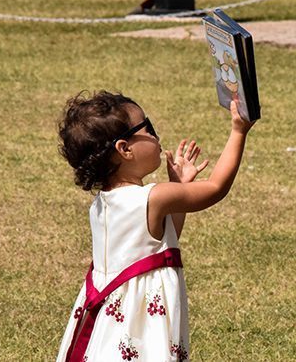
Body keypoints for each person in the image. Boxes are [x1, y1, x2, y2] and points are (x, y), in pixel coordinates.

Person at [55, 90, 253, 361]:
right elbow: (216, 188)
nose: (154, 135)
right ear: (124, 149)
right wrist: (238, 131)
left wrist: (179, 189)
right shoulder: (154, 196)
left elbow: (158, 251)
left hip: (109, 327)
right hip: (140, 329)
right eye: (147, 127)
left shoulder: (102, 203)